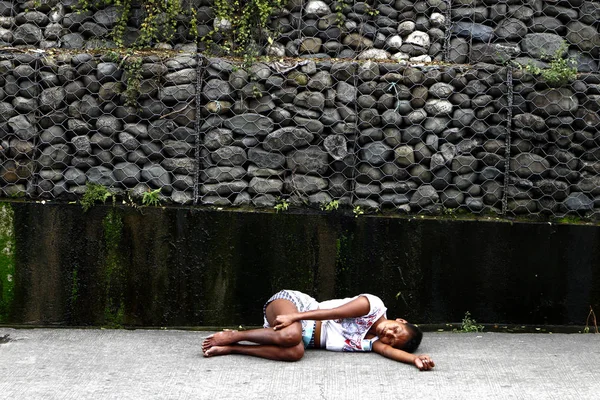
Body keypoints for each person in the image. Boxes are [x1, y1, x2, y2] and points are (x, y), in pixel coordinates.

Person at [202, 290, 434, 371]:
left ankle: (233, 348)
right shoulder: (372, 305)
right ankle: (235, 335)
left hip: (293, 333)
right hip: (294, 306)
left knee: (296, 352)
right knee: (292, 335)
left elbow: (390, 352)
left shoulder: (372, 342)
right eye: (395, 329)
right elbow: (333, 313)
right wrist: (295, 315)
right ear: (400, 320)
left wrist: (414, 360)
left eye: (393, 340)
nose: (389, 335)